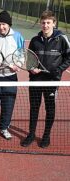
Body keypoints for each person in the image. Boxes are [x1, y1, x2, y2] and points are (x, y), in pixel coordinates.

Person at [21, 10, 70, 148]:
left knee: (50, 109)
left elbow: (69, 57)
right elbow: (29, 58)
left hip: (52, 81)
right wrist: (31, 68)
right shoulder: (35, 40)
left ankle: (46, 136)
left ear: (54, 23)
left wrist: (59, 70)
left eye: (48, 22)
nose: (45, 25)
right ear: (40, 24)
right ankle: (31, 134)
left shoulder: (61, 39)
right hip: (36, 80)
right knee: (34, 108)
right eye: (43, 22)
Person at [0, 11, 24, 140]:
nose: (1, 27)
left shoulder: (18, 37)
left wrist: (17, 65)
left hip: (10, 77)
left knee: (8, 105)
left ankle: (4, 128)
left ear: (9, 24)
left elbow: (21, 54)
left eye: (4, 24)